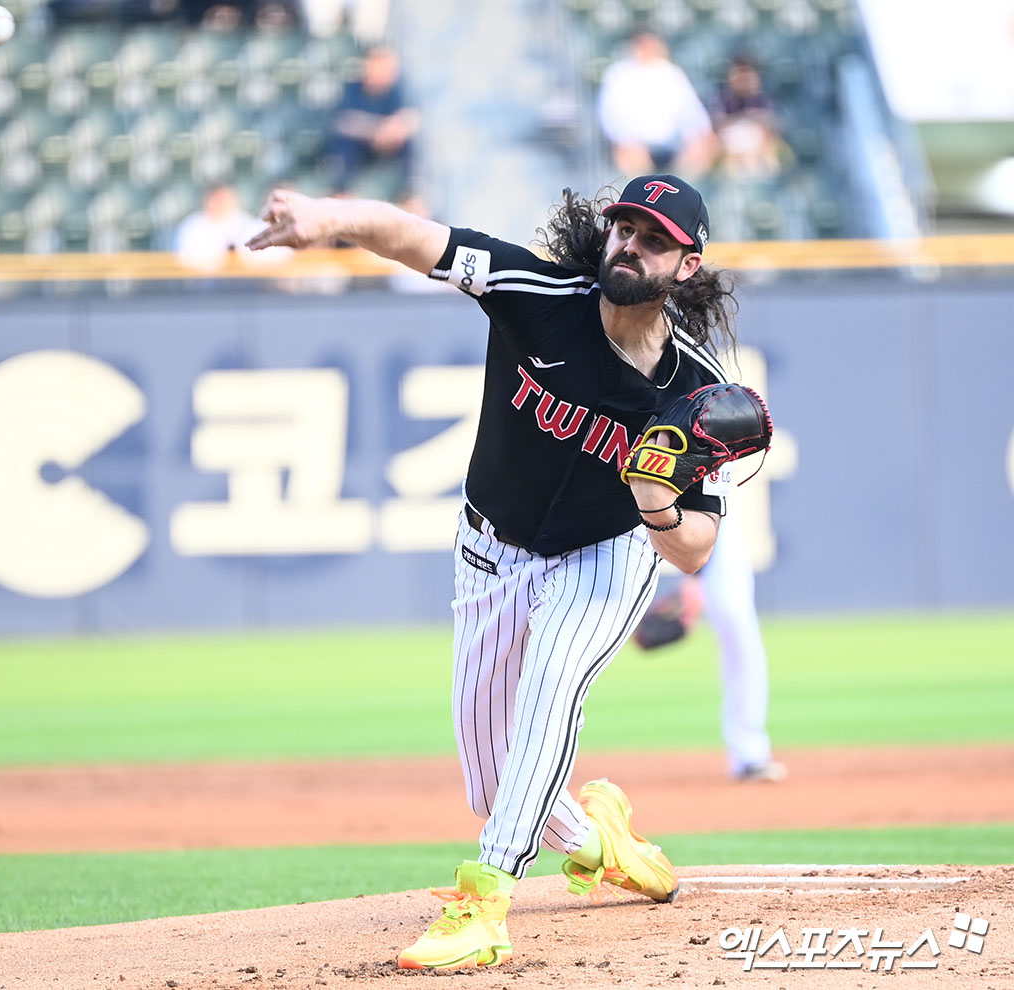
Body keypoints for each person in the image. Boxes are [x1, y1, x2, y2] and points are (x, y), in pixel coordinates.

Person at [247, 172, 742, 971]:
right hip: (491, 549)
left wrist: (655, 500)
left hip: (605, 556)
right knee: (493, 780)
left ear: (687, 265)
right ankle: (594, 840)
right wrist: (323, 218)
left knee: (552, 684)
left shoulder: (691, 387)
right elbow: (418, 239)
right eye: (624, 228)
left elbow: (696, 548)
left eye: (654, 239)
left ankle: (487, 899)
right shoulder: (539, 291)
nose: (630, 244)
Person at [638, 509, 786, 782]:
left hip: (703, 514)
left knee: (738, 626)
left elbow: (703, 490)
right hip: (623, 508)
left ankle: (749, 754)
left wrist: (696, 580)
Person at [596, 30, 718, 181]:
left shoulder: (671, 72)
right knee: (631, 158)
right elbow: (610, 116)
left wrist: (698, 135)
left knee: (700, 151)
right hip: (635, 143)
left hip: (673, 143)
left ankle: (681, 197)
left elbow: (691, 110)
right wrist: (625, 139)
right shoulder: (619, 74)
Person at [325, 44, 419, 196]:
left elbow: (412, 118)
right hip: (362, 145)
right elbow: (344, 121)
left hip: (390, 144)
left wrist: (392, 131)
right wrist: (376, 131)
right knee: (344, 146)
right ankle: (342, 191)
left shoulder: (397, 90)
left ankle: (408, 195)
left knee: (411, 145)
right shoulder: (352, 89)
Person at [711, 54, 786, 180]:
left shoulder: (763, 100)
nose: (742, 79)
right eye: (738, 74)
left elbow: (775, 125)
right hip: (729, 151)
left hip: (758, 152)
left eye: (747, 74)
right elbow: (715, 125)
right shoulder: (722, 100)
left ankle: (766, 182)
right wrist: (742, 119)